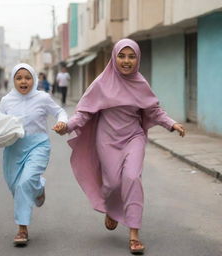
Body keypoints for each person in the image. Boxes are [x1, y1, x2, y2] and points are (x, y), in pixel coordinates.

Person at [55, 39, 185, 255]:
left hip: (133, 138)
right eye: (122, 56)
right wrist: (67, 126)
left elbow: (154, 111)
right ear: (114, 58)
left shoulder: (141, 84)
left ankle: (134, 233)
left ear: (137, 59)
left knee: (132, 178)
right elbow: (84, 113)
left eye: (131, 56)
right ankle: (112, 209)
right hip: (106, 140)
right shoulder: (101, 83)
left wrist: (171, 123)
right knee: (113, 184)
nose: (126, 61)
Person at [0, 63, 68, 245]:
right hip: (13, 149)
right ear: (13, 80)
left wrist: (62, 122)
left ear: (34, 79)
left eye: (27, 77)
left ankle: (22, 229)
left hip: (38, 146)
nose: (23, 81)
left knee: (24, 183)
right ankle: (39, 188)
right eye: (19, 78)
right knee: (16, 186)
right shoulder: (6, 101)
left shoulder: (42, 98)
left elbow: (60, 111)